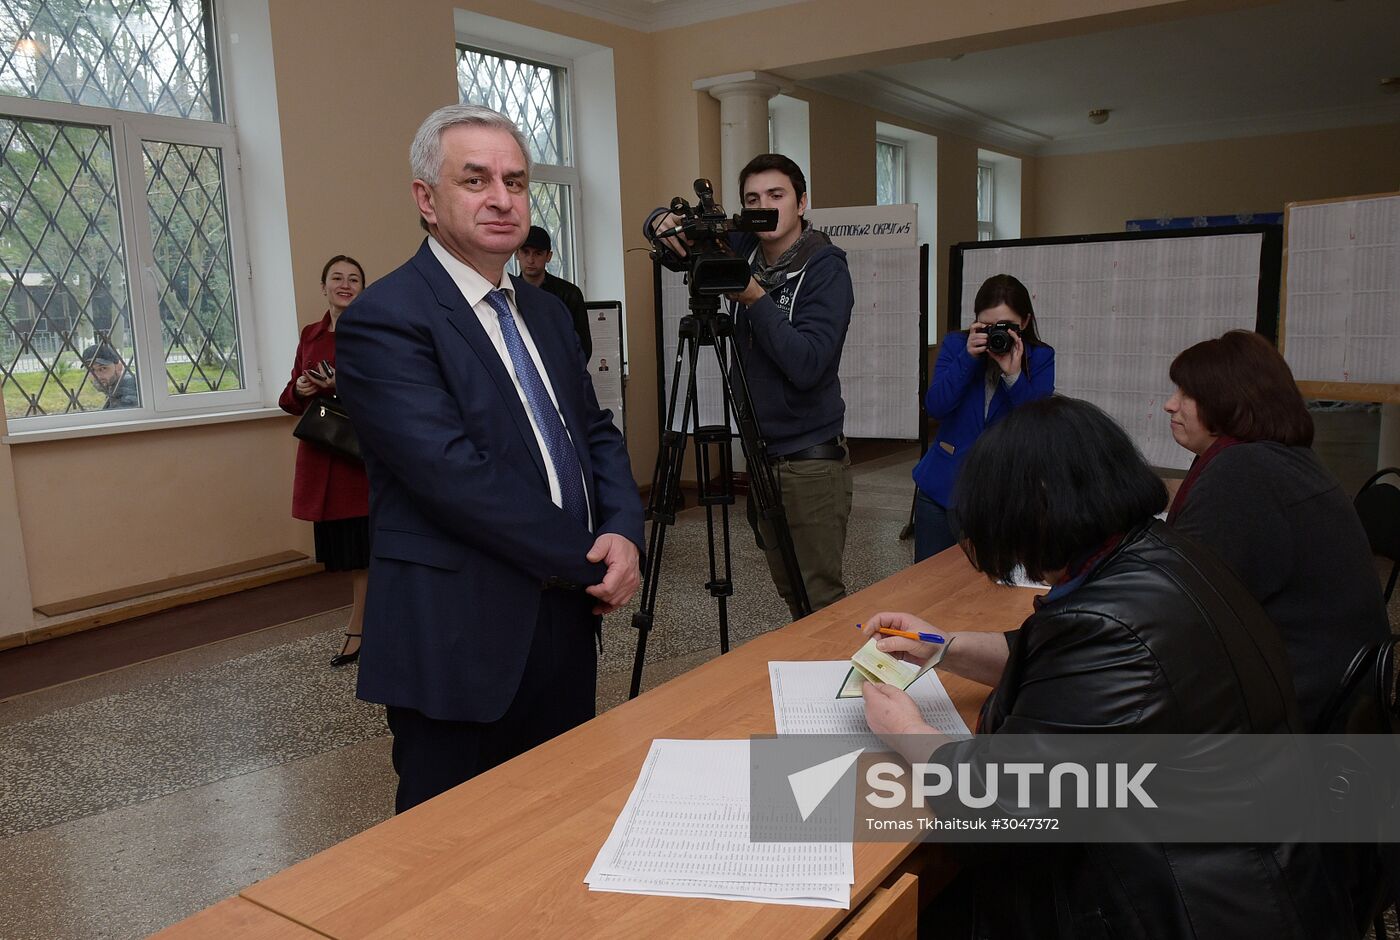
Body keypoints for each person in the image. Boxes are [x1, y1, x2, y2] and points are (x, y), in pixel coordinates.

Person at [858, 396, 1345, 938]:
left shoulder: (1110, 627)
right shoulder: (1157, 552)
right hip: (1248, 864)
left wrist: (904, 729)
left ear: (1039, 506)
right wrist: (943, 644)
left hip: (1185, 906)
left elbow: (1000, 811)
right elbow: (1059, 661)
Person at [334, 103, 643, 814]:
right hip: (457, 634)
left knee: (561, 820)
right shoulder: (387, 318)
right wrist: (590, 558)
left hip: (564, 620)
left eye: (516, 180)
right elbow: (453, 476)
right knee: (453, 850)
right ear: (426, 198)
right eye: (476, 180)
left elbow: (594, 430)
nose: (503, 198)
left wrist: (625, 529)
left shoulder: (544, 311)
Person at [646, 154, 854, 618]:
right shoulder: (743, 246)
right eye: (753, 199)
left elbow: (808, 365)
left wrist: (756, 298)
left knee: (819, 601)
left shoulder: (825, 268)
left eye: (776, 196)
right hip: (763, 455)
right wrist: (660, 220)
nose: (765, 207)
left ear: (802, 203)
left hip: (809, 460)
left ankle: (839, 689)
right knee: (789, 592)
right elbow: (672, 231)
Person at [1164, 330, 1389, 731]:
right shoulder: (1282, 460)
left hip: (1292, 712)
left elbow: (1176, 607)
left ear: (1226, 401)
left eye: (1186, 395)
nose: (1170, 405)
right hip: (1337, 696)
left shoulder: (1243, 473)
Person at [911, 274, 1054, 561]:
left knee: (991, 587)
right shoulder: (957, 345)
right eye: (987, 326)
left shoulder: (1040, 357)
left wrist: (1013, 375)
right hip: (942, 487)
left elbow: (1036, 425)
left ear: (1024, 323)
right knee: (928, 584)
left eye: (1006, 326)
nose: (996, 334)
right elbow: (936, 406)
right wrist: (968, 359)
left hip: (1003, 495)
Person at [277, 255, 371, 667]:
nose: (345, 285)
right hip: (323, 456)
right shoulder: (310, 334)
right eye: (337, 278)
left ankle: (360, 630)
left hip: (359, 460)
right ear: (324, 287)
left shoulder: (372, 333)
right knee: (350, 557)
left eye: (353, 279)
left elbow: (384, 394)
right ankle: (366, 625)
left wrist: (340, 385)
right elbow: (288, 401)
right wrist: (301, 387)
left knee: (364, 557)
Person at [515, 225, 591, 360]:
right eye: (526, 252)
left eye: (538, 253)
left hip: (561, 368)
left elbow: (584, 346)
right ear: (517, 254)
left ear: (548, 256)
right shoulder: (508, 292)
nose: (531, 260)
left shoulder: (569, 294)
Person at [81, 342, 138, 409]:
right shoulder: (114, 390)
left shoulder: (128, 394)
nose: (97, 376)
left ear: (119, 367)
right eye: (91, 370)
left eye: (103, 368)